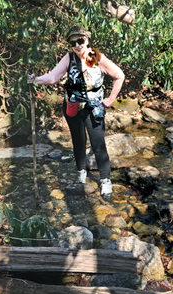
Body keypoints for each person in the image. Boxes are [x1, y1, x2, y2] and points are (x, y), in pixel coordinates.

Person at [30, 26, 125, 197]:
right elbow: (53, 77)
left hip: (93, 108)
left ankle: (105, 180)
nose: (77, 45)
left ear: (87, 40)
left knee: (98, 144)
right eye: (73, 42)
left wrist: (110, 100)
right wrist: (35, 80)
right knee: (78, 141)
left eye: (80, 40)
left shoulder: (96, 57)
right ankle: (81, 171)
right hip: (72, 106)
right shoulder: (69, 58)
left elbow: (119, 75)